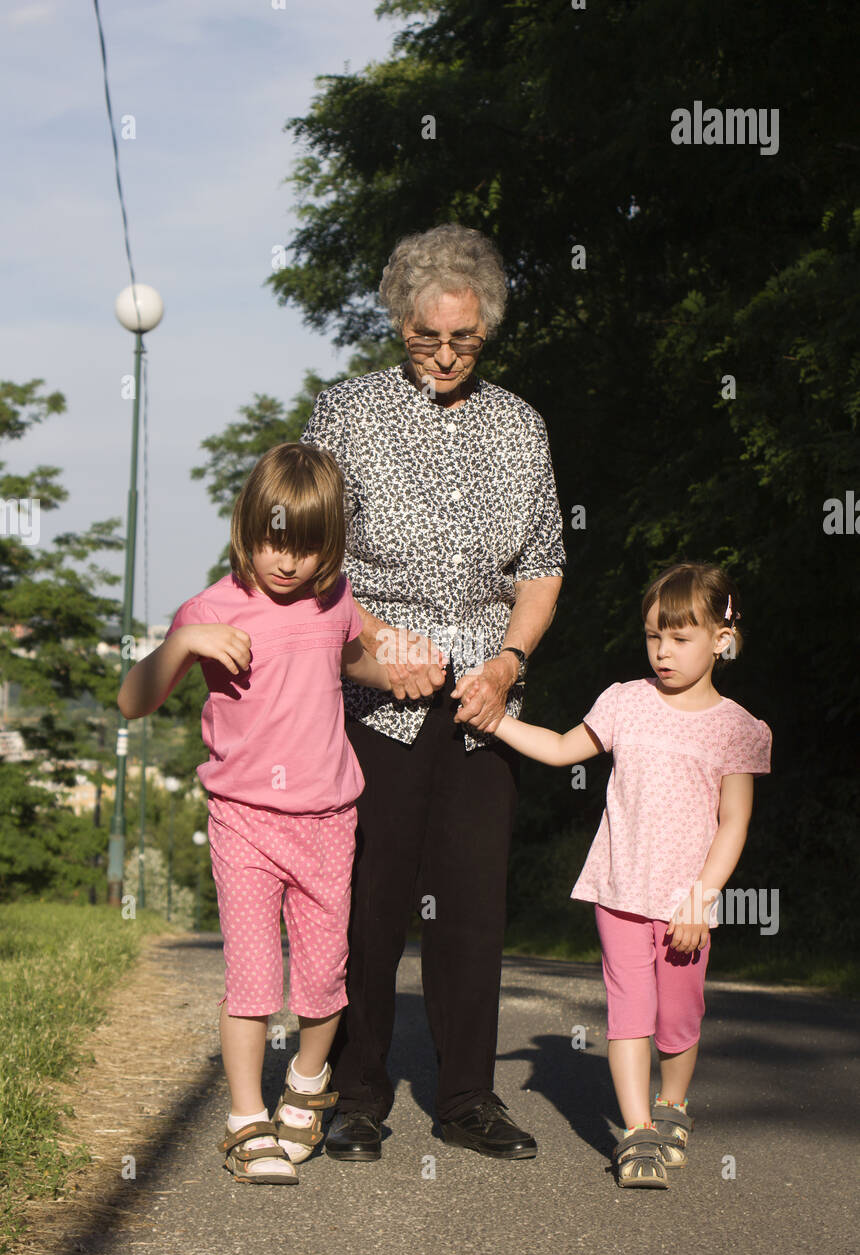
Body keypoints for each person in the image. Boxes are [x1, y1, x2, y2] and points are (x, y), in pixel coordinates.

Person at [300, 223, 566, 1160]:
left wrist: (508, 663)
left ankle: (466, 1099)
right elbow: (307, 563)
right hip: (373, 698)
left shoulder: (519, 425)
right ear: (397, 322)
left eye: (465, 339)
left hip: (482, 705)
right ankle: (359, 1094)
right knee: (370, 900)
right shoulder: (344, 415)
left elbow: (541, 568)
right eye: (427, 337)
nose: (446, 356)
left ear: (485, 329)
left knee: (470, 904)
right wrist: (372, 655)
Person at [117, 444, 391, 1184]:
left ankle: (304, 1087)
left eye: (307, 547)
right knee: (251, 979)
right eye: (274, 541)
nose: (288, 563)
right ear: (245, 527)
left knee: (324, 977)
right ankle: (245, 1118)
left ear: (330, 546)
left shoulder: (332, 600)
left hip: (330, 819)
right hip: (244, 820)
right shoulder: (209, 610)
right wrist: (182, 644)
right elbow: (132, 700)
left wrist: (404, 671)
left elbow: (356, 656)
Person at [487, 562, 772, 1188]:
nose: (663, 652)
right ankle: (637, 1133)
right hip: (617, 890)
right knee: (630, 1014)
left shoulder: (738, 728)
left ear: (721, 640)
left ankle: (672, 1105)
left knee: (678, 1019)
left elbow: (733, 824)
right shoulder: (624, 700)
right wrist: (494, 721)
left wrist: (700, 900)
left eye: (681, 637)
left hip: (685, 905)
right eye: (653, 637)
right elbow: (564, 749)